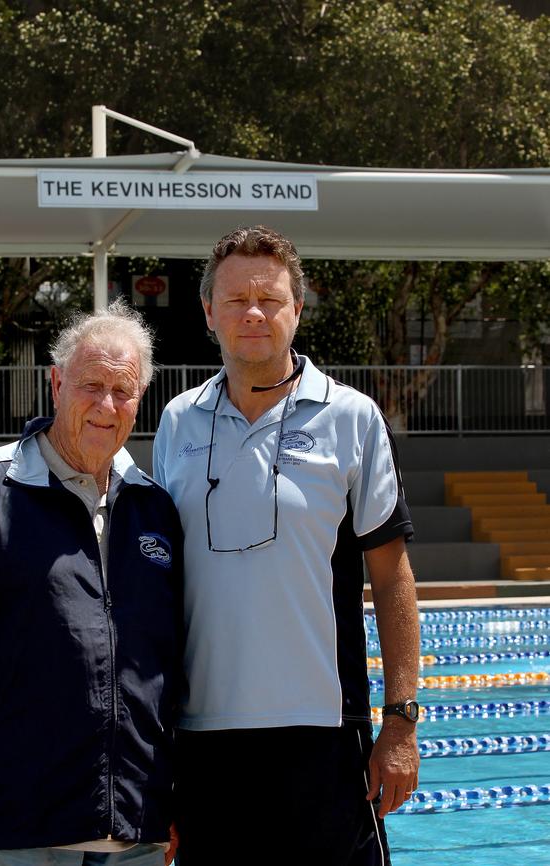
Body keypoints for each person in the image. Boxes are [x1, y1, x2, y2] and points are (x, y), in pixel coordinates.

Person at [153, 226, 420, 866]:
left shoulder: (351, 417)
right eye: (236, 298)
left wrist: (402, 723)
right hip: (203, 739)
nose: (253, 312)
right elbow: (157, 588)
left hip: (325, 735)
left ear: (296, 311)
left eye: (270, 299)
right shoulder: (176, 421)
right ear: (208, 313)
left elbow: (392, 578)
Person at [0, 299, 183, 866]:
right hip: (17, 826)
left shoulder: (155, 509)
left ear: (139, 401)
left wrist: (176, 794)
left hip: (135, 831)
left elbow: (171, 666)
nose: (106, 405)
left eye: (122, 391)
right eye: (90, 385)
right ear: (56, 384)